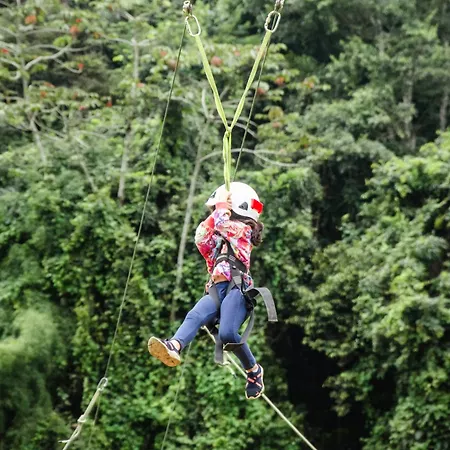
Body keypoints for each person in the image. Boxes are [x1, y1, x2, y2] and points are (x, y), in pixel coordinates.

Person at [148, 182, 266, 400]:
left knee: (228, 334)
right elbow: (201, 237)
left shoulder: (243, 231)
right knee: (195, 315)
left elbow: (224, 224)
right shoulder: (219, 239)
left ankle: (254, 370)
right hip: (217, 288)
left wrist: (221, 207)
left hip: (236, 287)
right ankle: (174, 345)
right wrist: (218, 211)